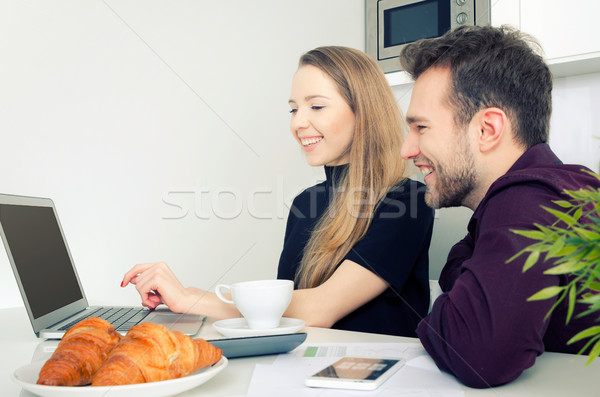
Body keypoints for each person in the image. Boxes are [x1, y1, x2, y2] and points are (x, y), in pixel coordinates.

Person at [121, 46, 434, 337]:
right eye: (293, 109)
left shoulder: (406, 202)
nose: (299, 122)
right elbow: (278, 312)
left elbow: (320, 308)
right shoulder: (305, 204)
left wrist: (193, 299)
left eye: (316, 106)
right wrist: (189, 297)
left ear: (364, 112)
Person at [398, 25, 600, 387]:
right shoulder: (554, 191)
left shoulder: (527, 197)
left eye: (421, 128)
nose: (407, 150)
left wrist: (452, 299)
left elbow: (478, 354)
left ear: (488, 129)